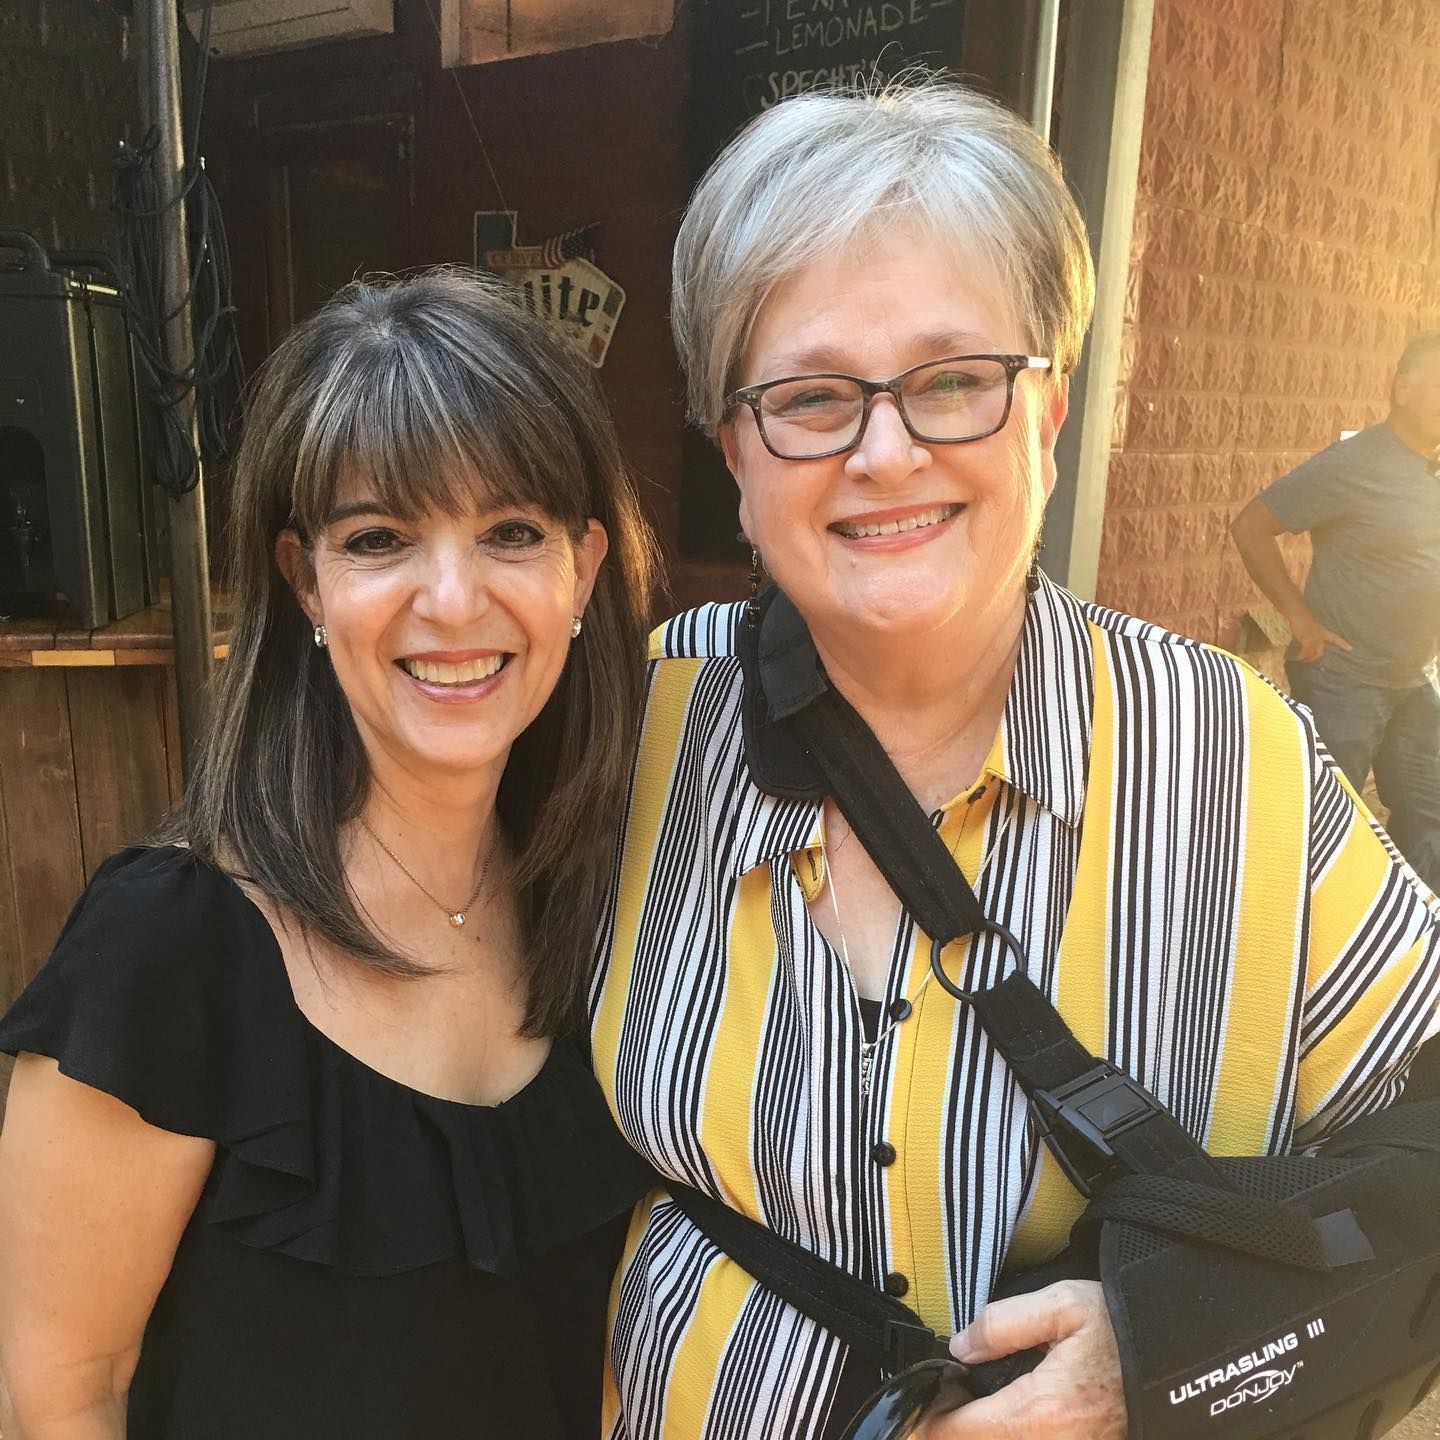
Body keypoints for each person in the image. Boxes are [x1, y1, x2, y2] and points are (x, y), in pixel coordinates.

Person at [589, 83, 1440, 1440]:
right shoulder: (637, 722)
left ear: (1046, 414)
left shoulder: (1231, 751)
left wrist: (1174, 1340)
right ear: (734, 449)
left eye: (952, 382)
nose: (884, 450)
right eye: (810, 397)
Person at [0, 270, 657, 1439]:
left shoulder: (609, 905)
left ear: (583, 569)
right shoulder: (170, 947)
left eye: (511, 531)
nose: (452, 602)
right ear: (304, 578)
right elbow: (59, 1396)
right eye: (381, 539)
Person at [1230, 332, 1440, 894]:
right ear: (1403, 388)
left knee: (1431, 817)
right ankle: (1293, 944)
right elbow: (1251, 526)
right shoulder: (1354, 462)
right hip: (1344, 679)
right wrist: (1299, 619)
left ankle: (1406, 945)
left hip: (1411, 679)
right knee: (1321, 828)